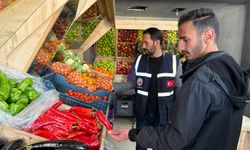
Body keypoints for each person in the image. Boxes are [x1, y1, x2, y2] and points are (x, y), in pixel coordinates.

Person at [109, 8, 249, 150]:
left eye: (185, 39)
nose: (180, 46)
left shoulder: (199, 81)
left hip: (164, 115)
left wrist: (132, 134)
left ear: (208, 36)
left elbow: (174, 139)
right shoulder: (232, 69)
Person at [113, 27, 181, 150]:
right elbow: (132, 84)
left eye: (146, 42)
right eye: (142, 42)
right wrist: (113, 87)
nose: (143, 46)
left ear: (157, 42)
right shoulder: (139, 60)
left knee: (160, 145)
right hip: (143, 114)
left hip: (163, 115)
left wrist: (178, 115)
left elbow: (179, 90)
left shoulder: (174, 62)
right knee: (140, 145)